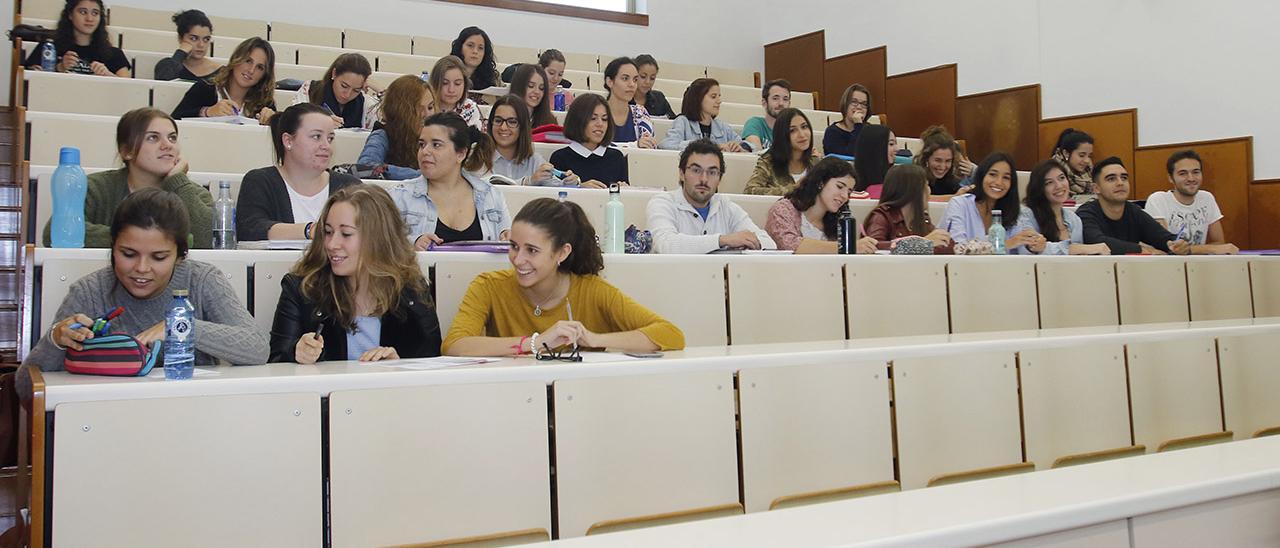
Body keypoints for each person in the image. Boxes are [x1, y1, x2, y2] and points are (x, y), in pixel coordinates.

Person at [24, 188, 267, 380]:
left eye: (159, 257)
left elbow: (257, 348)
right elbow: (26, 388)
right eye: (128, 254)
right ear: (112, 246)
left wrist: (182, 326)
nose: (141, 268)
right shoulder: (90, 291)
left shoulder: (202, 280)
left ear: (180, 255)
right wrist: (55, 340)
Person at [442, 198, 685, 356]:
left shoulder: (593, 291)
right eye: (514, 246)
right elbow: (454, 345)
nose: (518, 259)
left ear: (562, 252)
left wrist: (593, 338)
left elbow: (670, 334)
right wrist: (536, 343)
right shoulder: (488, 286)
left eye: (532, 251)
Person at [270, 184, 442, 364]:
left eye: (346, 234)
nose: (331, 244)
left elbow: (432, 363)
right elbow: (275, 359)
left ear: (378, 239)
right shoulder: (302, 288)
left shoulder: (412, 289)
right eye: (328, 232)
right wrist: (295, 352)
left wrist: (399, 365)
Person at [42, 108, 214, 248]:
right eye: (153, 138)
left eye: (172, 138)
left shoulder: (192, 193)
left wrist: (178, 181)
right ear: (127, 151)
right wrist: (147, 241)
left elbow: (210, 240)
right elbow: (57, 233)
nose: (167, 145)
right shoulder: (96, 187)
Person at [237, 103, 360, 241]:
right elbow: (251, 230)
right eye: (316, 137)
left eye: (330, 138)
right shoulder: (259, 181)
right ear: (288, 141)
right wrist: (311, 230)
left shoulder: (350, 186)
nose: (326, 146)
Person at [390, 112, 510, 249]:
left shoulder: (492, 196)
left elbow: (509, 249)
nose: (425, 152)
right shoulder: (399, 196)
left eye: (436, 145)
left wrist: (510, 240)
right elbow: (380, 250)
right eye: (422, 144)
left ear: (461, 154)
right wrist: (411, 244)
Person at [647, 139, 775, 254]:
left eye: (712, 172)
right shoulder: (662, 202)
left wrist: (749, 243)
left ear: (720, 179)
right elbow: (665, 245)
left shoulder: (726, 206)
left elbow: (769, 244)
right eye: (696, 170)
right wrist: (722, 240)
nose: (704, 179)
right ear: (681, 173)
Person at [1077, 157, 1194, 255]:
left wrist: (1176, 243)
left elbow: (1161, 237)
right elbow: (1097, 241)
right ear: (1096, 188)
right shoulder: (1086, 213)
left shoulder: (1133, 211)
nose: (1120, 183)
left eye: (1124, 178)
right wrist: (1141, 250)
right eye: (1111, 179)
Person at [765, 157, 877, 254]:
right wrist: (848, 247)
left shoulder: (838, 220)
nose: (844, 196)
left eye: (849, 192)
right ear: (820, 183)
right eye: (839, 186)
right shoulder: (783, 209)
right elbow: (790, 245)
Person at [1143, 150, 1238, 253]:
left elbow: (1219, 242)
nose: (1191, 178)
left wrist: (1194, 250)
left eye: (1196, 172)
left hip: (1198, 265)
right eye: (1183, 174)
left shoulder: (1207, 198)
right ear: (1170, 178)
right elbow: (1168, 248)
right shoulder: (1158, 200)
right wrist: (1208, 249)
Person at [1009, 160, 1110, 255]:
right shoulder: (1025, 215)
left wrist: (1048, 248)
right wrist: (1073, 249)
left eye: (1062, 178)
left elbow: (1078, 255)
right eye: (1049, 182)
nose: (1059, 186)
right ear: (1039, 189)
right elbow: (1028, 251)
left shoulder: (1074, 219)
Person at [170, 37, 277, 124]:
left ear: (264, 75)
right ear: (237, 58)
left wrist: (273, 121)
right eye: (248, 61)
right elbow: (174, 121)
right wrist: (208, 112)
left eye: (260, 67)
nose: (251, 70)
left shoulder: (265, 103)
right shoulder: (205, 88)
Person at [487, 95, 579, 187]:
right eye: (498, 121)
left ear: (523, 126)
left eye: (512, 122)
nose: (503, 127)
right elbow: (482, 188)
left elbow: (558, 187)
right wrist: (528, 181)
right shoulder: (477, 156)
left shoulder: (534, 160)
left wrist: (570, 182)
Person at [357, 75, 434, 181]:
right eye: (418, 109)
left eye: (430, 107)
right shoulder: (382, 135)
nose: (427, 114)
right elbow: (364, 168)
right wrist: (422, 176)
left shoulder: (438, 135)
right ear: (402, 112)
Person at [23, 0, 129, 77]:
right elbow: (31, 82)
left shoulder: (114, 54)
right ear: (70, 15)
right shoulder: (49, 48)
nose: (89, 18)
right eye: (83, 12)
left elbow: (129, 89)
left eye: (95, 13)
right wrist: (59, 68)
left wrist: (108, 75)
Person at [863, 165, 954, 253]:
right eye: (926, 185)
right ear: (913, 190)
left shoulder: (922, 218)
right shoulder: (881, 216)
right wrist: (923, 243)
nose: (929, 191)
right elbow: (873, 246)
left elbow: (941, 244)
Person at [942, 152, 1024, 246]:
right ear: (982, 176)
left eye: (1006, 177)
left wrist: (1034, 245)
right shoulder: (959, 204)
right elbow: (958, 247)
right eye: (993, 174)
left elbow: (1023, 250)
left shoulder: (1015, 211)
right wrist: (1003, 245)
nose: (998, 182)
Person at [549, 94, 626, 189]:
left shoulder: (616, 157)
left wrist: (624, 188)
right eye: (593, 118)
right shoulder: (560, 158)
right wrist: (580, 187)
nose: (600, 124)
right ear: (577, 121)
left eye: (604, 119)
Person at [659, 78, 753, 152]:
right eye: (713, 96)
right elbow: (667, 144)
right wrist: (710, 146)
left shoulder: (722, 127)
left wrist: (740, 147)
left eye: (719, 96)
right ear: (698, 98)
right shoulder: (683, 122)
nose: (719, 101)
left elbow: (750, 146)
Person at [293, 53, 378, 130]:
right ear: (334, 74)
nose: (347, 95)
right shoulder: (309, 90)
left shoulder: (366, 104)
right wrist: (318, 122)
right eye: (344, 86)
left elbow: (385, 129)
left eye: (356, 90)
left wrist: (382, 92)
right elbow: (293, 123)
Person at [744, 108, 816, 195]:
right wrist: (794, 189)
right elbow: (750, 191)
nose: (802, 134)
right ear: (782, 135)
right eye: (792, 130)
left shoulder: (816, 162)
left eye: (804, 127)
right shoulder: (769, 162)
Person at [602, 57, 657, 148]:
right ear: (610, 81)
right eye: (625, 78)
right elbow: (594, 146)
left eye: (635, 80)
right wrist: (635, 145)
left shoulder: (641, 113)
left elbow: (650, 146)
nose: (632, 84)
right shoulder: (595, 113)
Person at [153, 9, 221, 82]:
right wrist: (181, 52)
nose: (201, 45)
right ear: (180, 38)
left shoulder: (220, 72)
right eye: (194, 38)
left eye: (206, 39)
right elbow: (162, 81)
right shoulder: (167, 66)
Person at [428, 55, 484, 130]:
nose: (451, 90)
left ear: (465, 84)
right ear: (435, 83)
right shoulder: (426, 108)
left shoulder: (470, 108)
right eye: (445, 83)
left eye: (457, 83)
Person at [916, 126, 970, 196]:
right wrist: (954, 198)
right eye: (938, 160)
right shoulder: (914, 179)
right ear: (926, 158)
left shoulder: (952, 183)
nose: (942, 166)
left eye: (948, 161)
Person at [823, 84, 871, 157]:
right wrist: (858, 125)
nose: (859, 107)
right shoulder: (832, 132)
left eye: (864, 104)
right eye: (854, 102)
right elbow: (849, 158)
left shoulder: (871, 131)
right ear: (845, 104)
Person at [742, 79, 791, 151]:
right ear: (764, 103)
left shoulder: (793, 129)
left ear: (789, 104)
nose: (781, 103)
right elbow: (756, 153)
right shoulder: (754, 124)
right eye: (775, 98)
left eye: (785, 99)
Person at [450, 26, 499, 96]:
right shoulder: (445, 72)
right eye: (470, 45)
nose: (475, 51)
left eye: (480, 48)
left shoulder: (494, 78)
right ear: (460, 47)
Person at [1051, 128, 1095, 202]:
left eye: (1089, 156)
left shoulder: (1089, 170)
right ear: (1066, 153)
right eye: (1081, 155)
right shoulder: (1052, 171)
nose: (1087, 160)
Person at [852, 124, 893, 197]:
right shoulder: (851, 183)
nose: (897, 149)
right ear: (875, 147)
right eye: (891, 144)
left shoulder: (895, 181)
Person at [634, 54, 675, 119]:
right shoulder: (623, 98)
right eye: (643, 77)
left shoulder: (659, 99)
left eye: (652, 78)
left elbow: (672, 121)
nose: (648, 82)